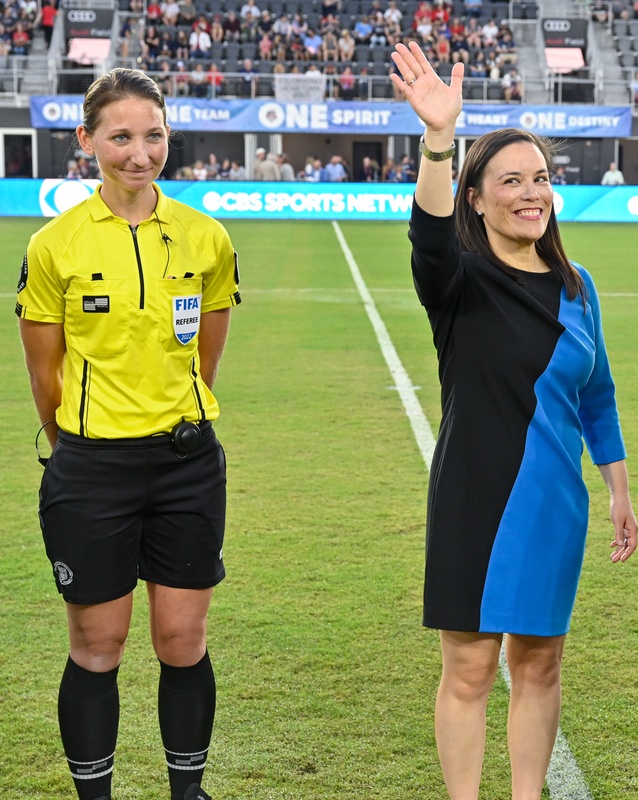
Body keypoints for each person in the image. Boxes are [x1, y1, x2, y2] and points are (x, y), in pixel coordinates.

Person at [388, 41, 638, 800]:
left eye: (541, 180)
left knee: (540, 663)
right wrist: (440, 139)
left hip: (558, 503)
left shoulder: (577, 284)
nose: (531, 194)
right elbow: (426, 238)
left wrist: (619, 489)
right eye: (511, 181)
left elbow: (599, 394)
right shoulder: (458, 282)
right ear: (477, 197)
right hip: (475, 495)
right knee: (468, 668)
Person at [15, 67, 240, 800]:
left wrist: (173, 414)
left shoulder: (207, 238)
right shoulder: (55, 245)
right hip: (92, 471)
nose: (139, 152)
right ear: (87, 141)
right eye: (120, 136)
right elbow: (44, 377)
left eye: (153, 135)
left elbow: (207, 355)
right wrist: (84, 441)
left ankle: (186, 792)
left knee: (182, 640)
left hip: (186, 463)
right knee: (97, 645)